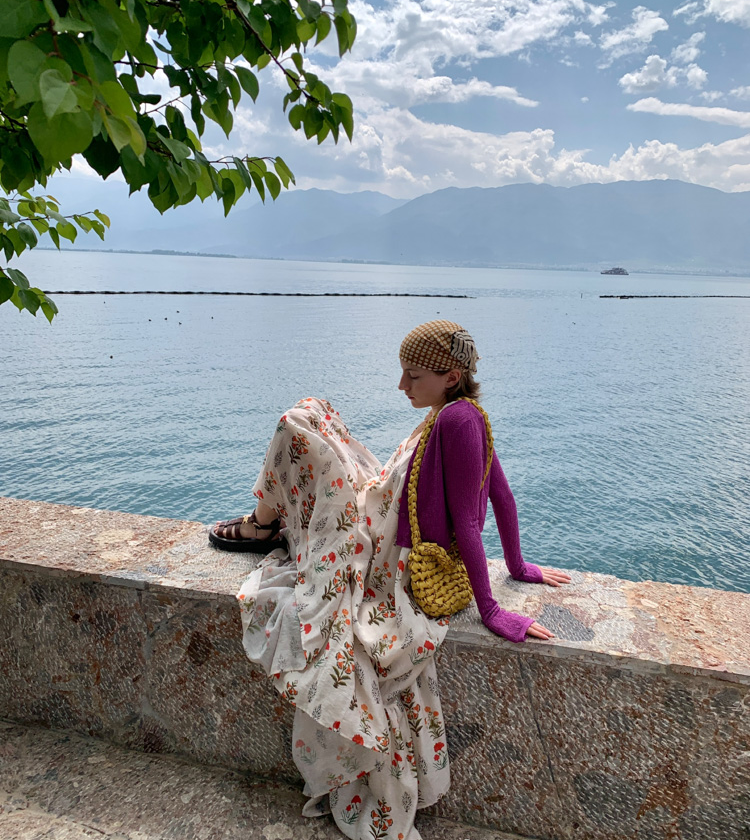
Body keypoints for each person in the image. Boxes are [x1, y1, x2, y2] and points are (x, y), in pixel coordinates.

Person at [209, 320, 571, 840]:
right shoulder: (462, 413)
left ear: (450, 376)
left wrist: (492, 609)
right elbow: (502, 493)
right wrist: (517, 566)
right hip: (374, 510)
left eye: (413, 375)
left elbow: (471, 519)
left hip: (378, 548)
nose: (402, 385)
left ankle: (259, 526)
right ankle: (263, 524)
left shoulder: (457, 422)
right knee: (311, 411)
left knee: (294, 425)